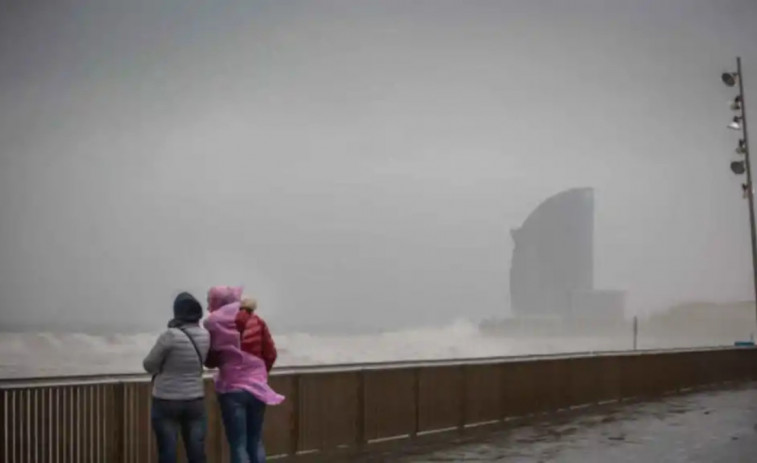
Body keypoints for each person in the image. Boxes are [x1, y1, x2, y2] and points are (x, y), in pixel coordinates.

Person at [203, 286, 284, 463]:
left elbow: (210, 359)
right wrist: (259, 375)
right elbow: (270, 354)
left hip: (231, 388)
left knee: (238, 444)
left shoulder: (213, 324)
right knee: (255, 441)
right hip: (257, 388)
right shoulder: (257, 321)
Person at [143, 292, 210, 463]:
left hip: (167, 400)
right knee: (196, 450)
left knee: (167, 450)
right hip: (195, 399)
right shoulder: (205, 336)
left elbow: (149, 365)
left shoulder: (170, 335)